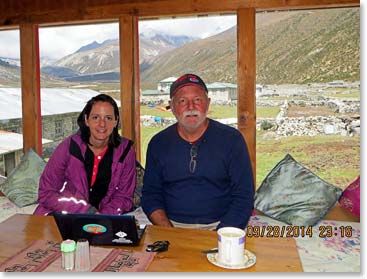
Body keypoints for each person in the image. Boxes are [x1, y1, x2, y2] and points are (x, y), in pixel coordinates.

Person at [141, 74, 254, 230]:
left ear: (207, 103)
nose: (191, 107)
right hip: (171, 226)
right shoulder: (158, 143)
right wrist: (169, 231)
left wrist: (221, 234)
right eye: (182, 101)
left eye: (197, 100)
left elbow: (243, 195)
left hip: (223, 226)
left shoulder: (231, 140)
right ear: (171, 107)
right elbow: (150, 194)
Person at [34, 94, 136, 215]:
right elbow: (46, 193)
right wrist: (87, 212)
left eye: (108, 118)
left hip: (105, 217)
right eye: (95, 117)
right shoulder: (69, 147)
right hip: (64, 214)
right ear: (86, 120)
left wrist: (103, 217)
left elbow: (124, 196)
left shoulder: (126, 151)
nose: (102, 124)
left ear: (116, 121)